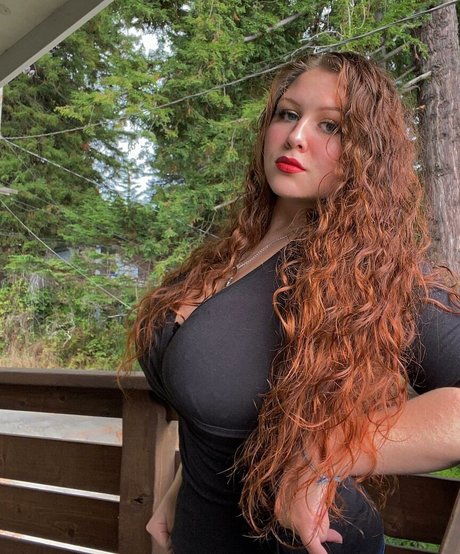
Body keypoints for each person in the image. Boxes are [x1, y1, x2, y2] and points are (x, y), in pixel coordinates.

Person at [125, 51, 460, 554]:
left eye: (331, 126)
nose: (296, 136)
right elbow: (227, 408)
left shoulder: (381, 278)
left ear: (367, 153)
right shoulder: (230, 255)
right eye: (288, 114)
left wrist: (328, 451)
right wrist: (185, 481)